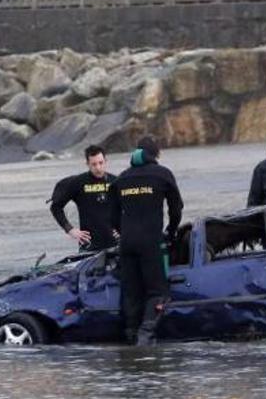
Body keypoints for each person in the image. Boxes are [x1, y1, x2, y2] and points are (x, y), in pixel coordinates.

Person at [109, 137, 183, 346]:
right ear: (156, 154)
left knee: (131, 293)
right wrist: (171, 230)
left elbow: (112, 216)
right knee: (158, 292)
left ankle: (131, 339)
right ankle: (145, 338)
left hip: (127, 244)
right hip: (151, 242)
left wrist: (124, 232)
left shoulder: (121, 179)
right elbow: (176, 208)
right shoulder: (162, 174)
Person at [50, 145, 119, 251]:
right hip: (89, 244)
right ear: (87, 164)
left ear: (106, 161)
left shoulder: (115, 182)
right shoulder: (78, 183)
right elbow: (56, 207)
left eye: (101, 163)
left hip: (114, 242)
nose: (98, 168)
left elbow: (129, 207)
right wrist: (70, 230)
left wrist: (123, 229)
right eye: (94, 164)